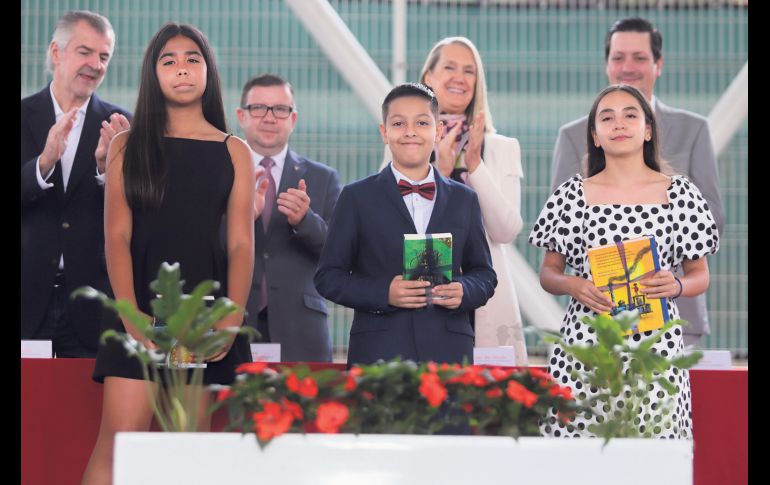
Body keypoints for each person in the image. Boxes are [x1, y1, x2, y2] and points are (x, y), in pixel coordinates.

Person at [82, 23, 255, 484]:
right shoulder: (126, 146)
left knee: (189, 446)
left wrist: (230, 322)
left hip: (203, 319)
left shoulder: (234, 150)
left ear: (208, 70)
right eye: (169, 60)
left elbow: (241, 244)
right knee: (119, 442)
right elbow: (116, 237)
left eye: (192, 59)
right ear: (152, 73)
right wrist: (131, 316)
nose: (182, 69)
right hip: (135, 308)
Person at [530, 84, 719, 438]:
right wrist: (575, 285)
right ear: (595, 136)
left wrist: (676, 285)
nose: (619, 123)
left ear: (648, 130)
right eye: (607, 117)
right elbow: (549, 273)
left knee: (652, 452)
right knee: (580, 452)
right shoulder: (573, 194)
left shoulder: (681, 193)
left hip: (656, 346)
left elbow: (700, 276)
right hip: (587, 344)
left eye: (630, 115)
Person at [550, 17, 724, 347]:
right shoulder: (573, 136)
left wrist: (653, 252)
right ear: (606, 65)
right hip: (597, 317)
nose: (627, 67)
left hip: (673, 313)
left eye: (639, 58)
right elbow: (561, 238)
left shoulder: (695, 129)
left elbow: (712, 217)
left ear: (658, 64)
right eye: (618, 58)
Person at [315, 82, 497, 366]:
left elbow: (484, 274)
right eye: (399, 123)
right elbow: (328, 277)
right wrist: (384, 292)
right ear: (384, 132)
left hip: (448, 352)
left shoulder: (465, 199)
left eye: (422, 122)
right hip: (378, 352)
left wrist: (464, 290)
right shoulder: (356, 197)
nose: (410, 131)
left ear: (437, 131)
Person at [380, 37, 526, 363]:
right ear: (428, 77)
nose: (459, 77)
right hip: (420, 298)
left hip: (485, 299)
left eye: (469, 71)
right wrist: (439, 174)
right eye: (449, 67)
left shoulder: (502, 147)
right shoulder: (402, 144)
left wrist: (474, 165)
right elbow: (387, 229)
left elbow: (505, 231)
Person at [21, 10, 131, 357]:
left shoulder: (123, 126)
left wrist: (106, 169)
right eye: (85, 52)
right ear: (57, 52)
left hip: (92, 305)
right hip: (27, 300)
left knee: (82, 409)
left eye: (104, 56)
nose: (95, 64)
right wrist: (44, 162)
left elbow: (141, 213)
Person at [236, 74, 341, 362]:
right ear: (241, 116)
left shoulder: (323, 178)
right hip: (233, 323)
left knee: (304, 408)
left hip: (301, 327)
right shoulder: (222, 173)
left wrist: (305, 221)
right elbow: (202, 244)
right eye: (259, 108)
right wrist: (243, 217)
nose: (269, 118)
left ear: (292, 119)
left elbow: (340, 252)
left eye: (280, 110)